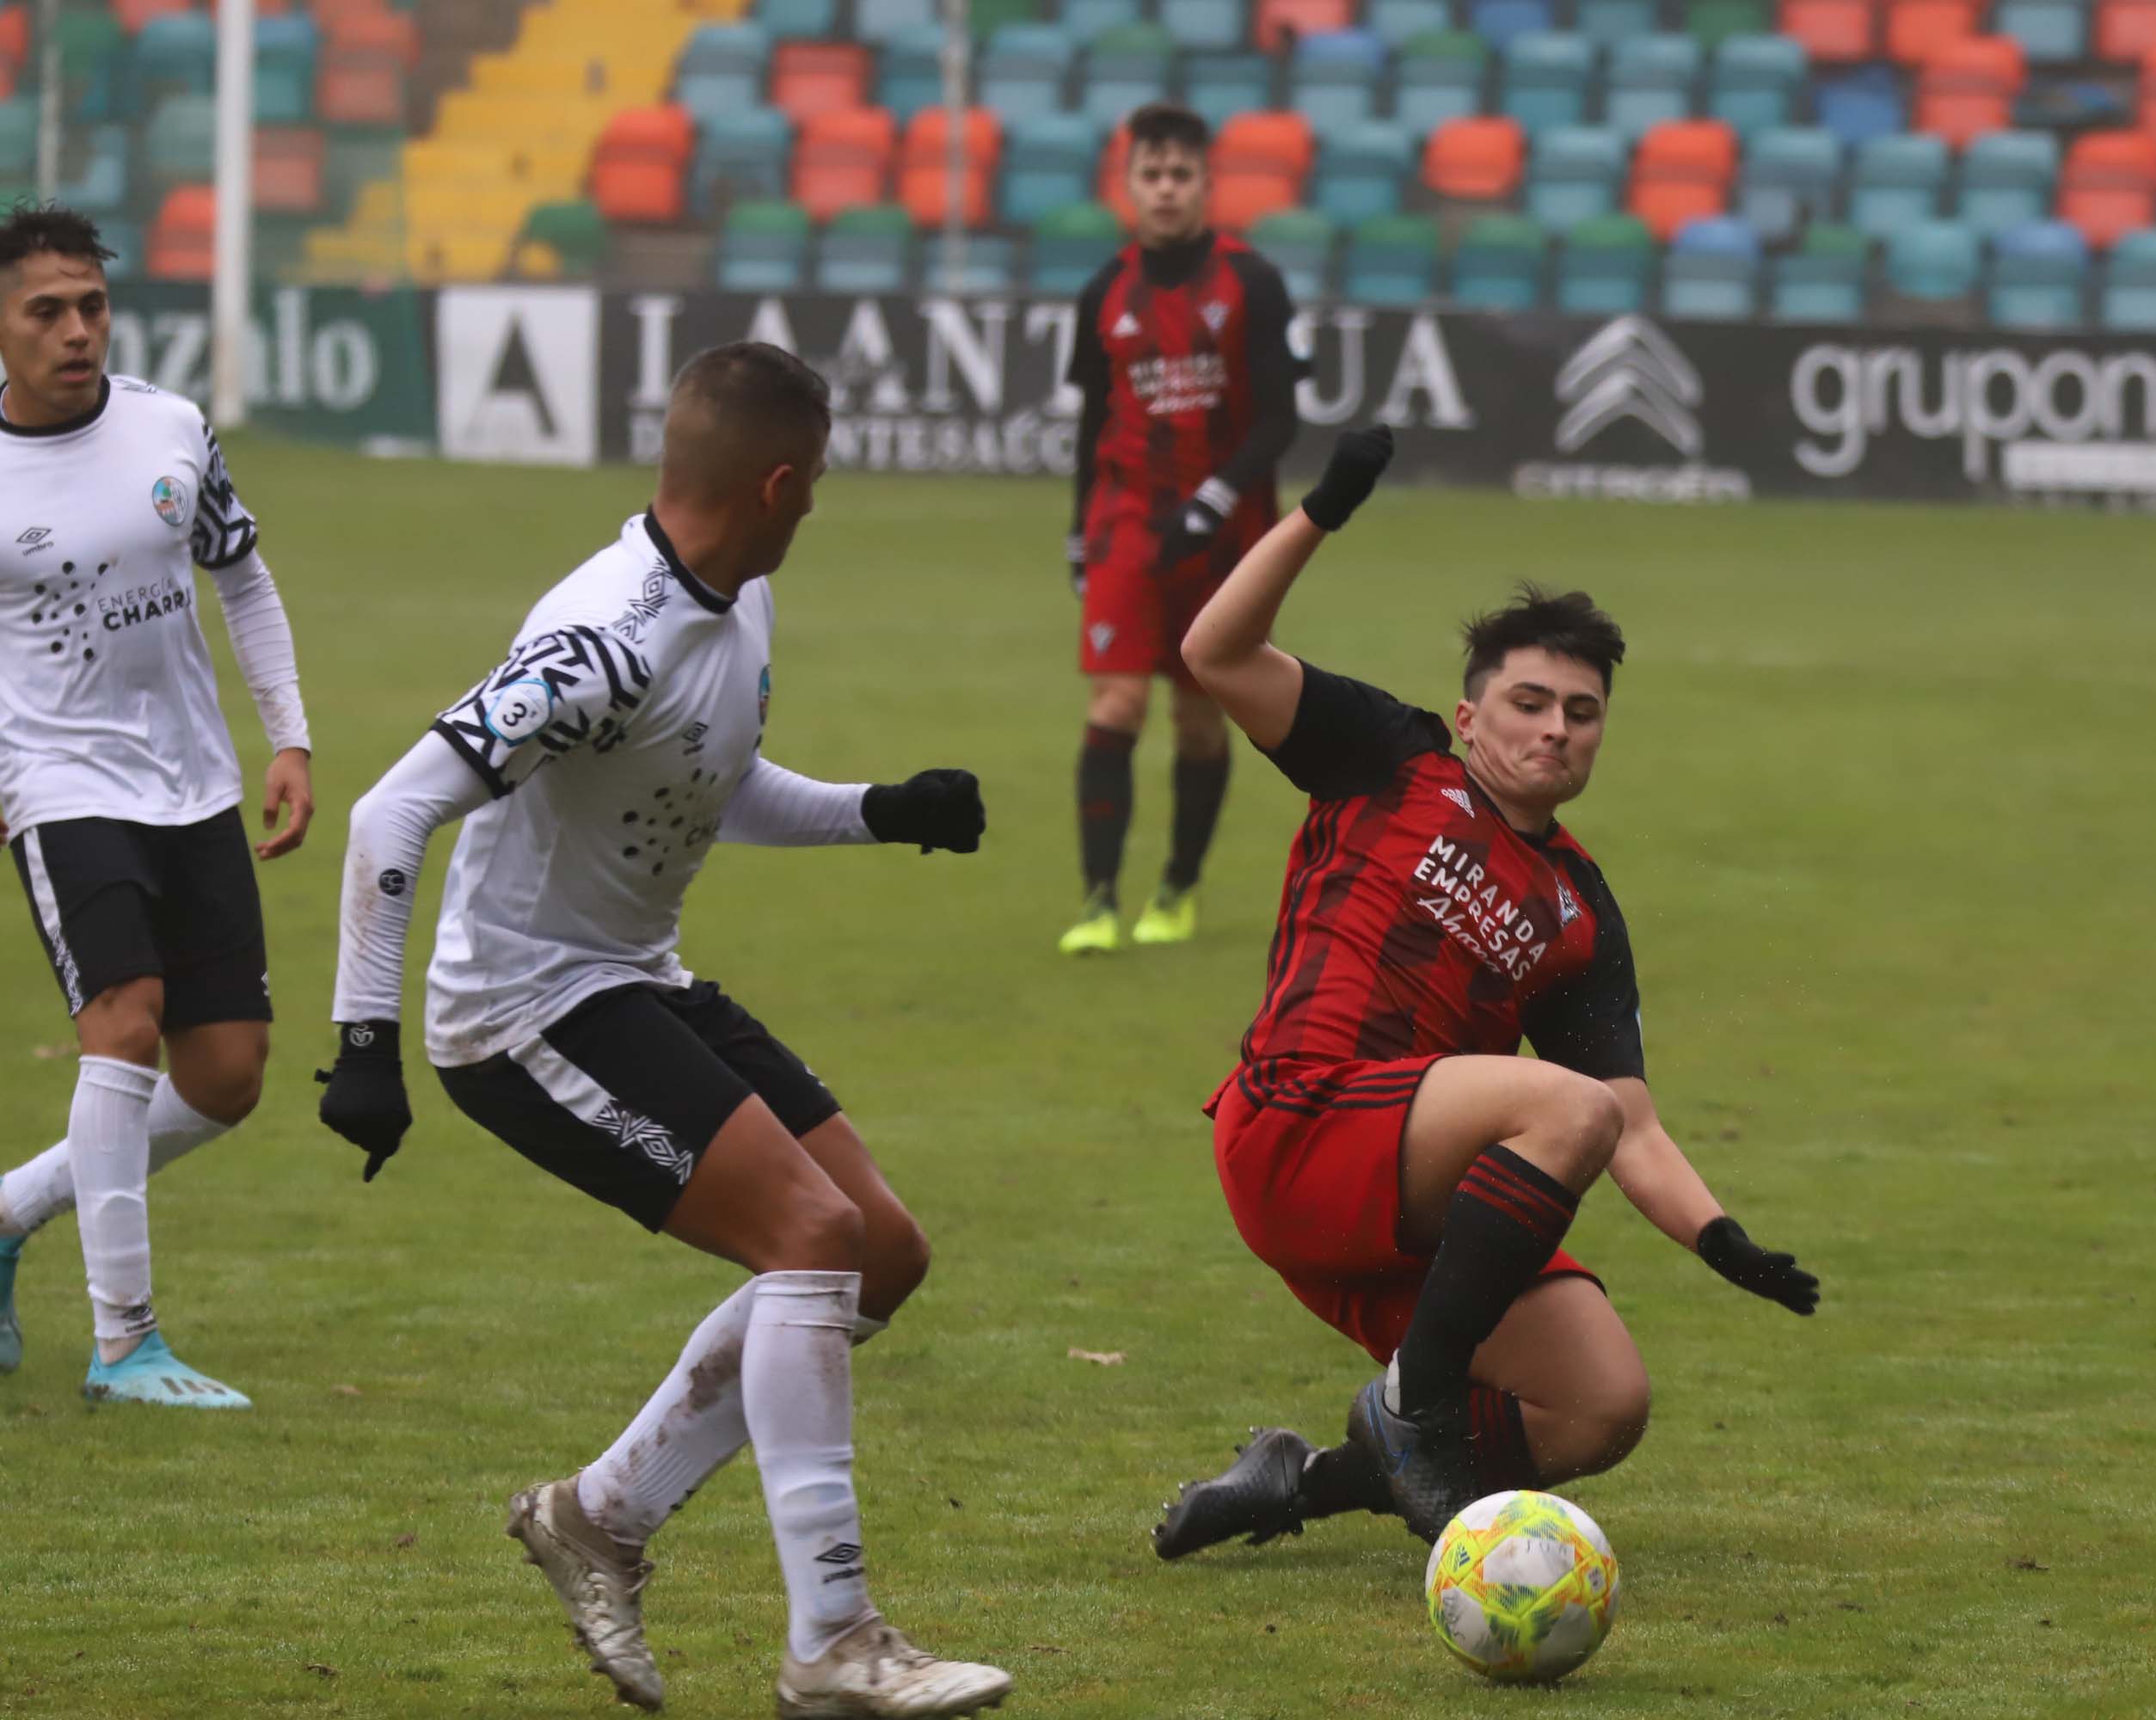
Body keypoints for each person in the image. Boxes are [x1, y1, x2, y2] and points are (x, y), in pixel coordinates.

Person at [315, 342, 1010, 1718]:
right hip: (521, 1014)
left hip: (634, 975)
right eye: (810, 485)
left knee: (881, 1252)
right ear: (771, 481)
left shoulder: (734, 599)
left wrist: (884, 809)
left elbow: (714, 783)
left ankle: (599, 1518)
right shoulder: (601, 639)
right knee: (809, 1239)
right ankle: (834, 1642)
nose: (815, 507)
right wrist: (362, 1044)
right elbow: (388, 815)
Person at [1150, 426, 1821, 1559]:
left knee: (1600, 1403)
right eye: (1527, 702)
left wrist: (1721, 1242)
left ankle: (1298, 1481)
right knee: (1562, 1107)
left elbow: (1632, 1122)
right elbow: (1214, 652)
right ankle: (1413, 1399)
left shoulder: (1577, 906)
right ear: (1469, 717)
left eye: (1580, 713)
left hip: (1417, 1206)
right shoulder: (1389, 756)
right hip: (1298, 1121)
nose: (1553, 727)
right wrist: (1320, 509)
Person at [0, 201, 315, 1407]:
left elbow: (239, 573)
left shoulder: (170, 428)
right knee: (123, 1023)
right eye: (46, 310)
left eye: (91, 305)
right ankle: (125, 1339)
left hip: (192, 781)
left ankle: (14, 1211)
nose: (76, 330)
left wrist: (286, 733)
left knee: (227, 1072)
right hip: (59, 777)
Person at [1059, 101, 1299, 955]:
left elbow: (1280, 420)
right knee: (1116, 700)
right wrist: (1078, 530)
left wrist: (1213, 500)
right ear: (1128, 185)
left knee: (1199, 720)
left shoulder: (1252, 282)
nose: (1164, 190)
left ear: (1205, 183)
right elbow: (1094, 421)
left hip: (1226, 535)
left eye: (1179, 175)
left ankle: (1178, 885)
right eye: (1149, 175)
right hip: (1125, 521)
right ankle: (1096, 901)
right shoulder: (1104, 291)